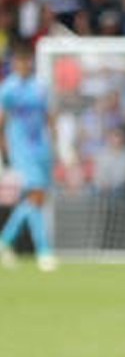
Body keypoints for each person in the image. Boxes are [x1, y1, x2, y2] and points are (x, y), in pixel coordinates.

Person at [0, 42, 57, 272]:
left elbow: (49, 116)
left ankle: (4, 242)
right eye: (19, 61)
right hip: (21, 150)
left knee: (36, 201)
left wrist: (56, 144)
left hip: (41, 149)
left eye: (26, 61)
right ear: (14, 64)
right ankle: (44, 252)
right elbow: (1, 122)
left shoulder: (39, 87)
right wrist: (4, 152)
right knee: (35, 197)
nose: (23, 65)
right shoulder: (8, 89)